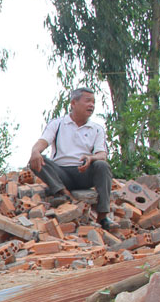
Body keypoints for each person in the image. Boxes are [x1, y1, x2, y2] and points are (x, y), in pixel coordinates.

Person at [28, 87, 113, 229]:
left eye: (93, 102)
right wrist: (35, 151)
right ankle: (64, 193)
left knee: (102, 166)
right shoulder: (58, 124)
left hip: (84, 173)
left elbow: (102, 154)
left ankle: (103, 216)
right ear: (74, 103)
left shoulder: (97, 129)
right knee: (37, 160)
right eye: (87, 101)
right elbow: (43, 141)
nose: (91, 105)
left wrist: (91, 158)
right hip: (61, 173)